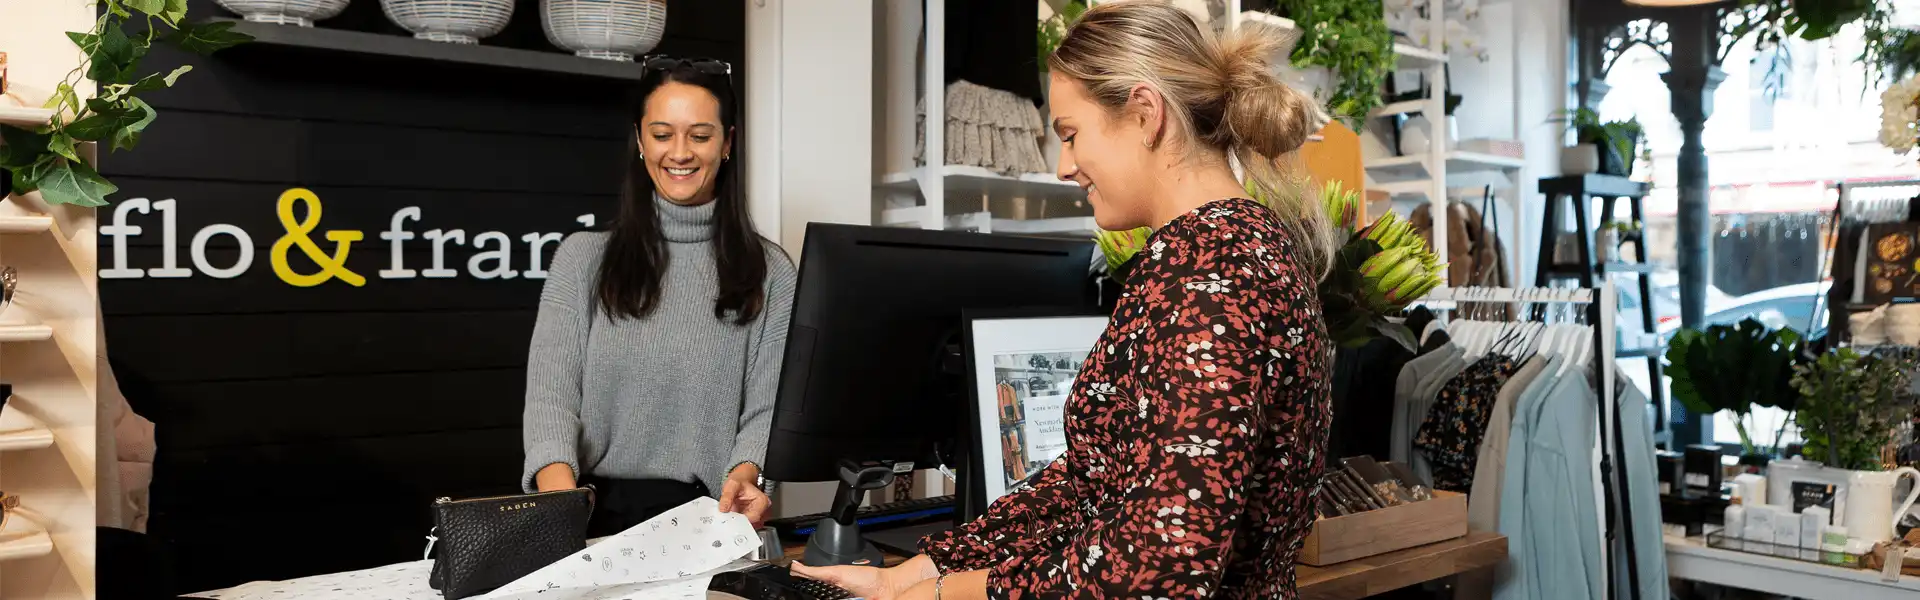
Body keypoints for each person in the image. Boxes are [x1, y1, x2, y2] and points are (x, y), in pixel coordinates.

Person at [791, 2, 1336, 598]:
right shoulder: (1228, 250)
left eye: (1072, 135)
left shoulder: (1208, 281)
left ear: (1145, 115)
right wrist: (913, 575)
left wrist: (949, 595)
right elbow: (1089, 482)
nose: (1063, 166)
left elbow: (1160, 567)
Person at [521, 56, 793, 533]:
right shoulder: (582, 258)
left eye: (701, 135)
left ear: (727, 144)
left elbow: (766, 411)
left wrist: (746, 475)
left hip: (710, 519)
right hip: (585, 512)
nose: (680, 152)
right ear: (640, 142)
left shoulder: (771, 271)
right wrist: (560, 507)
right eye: (663, 134)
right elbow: (550, 397)